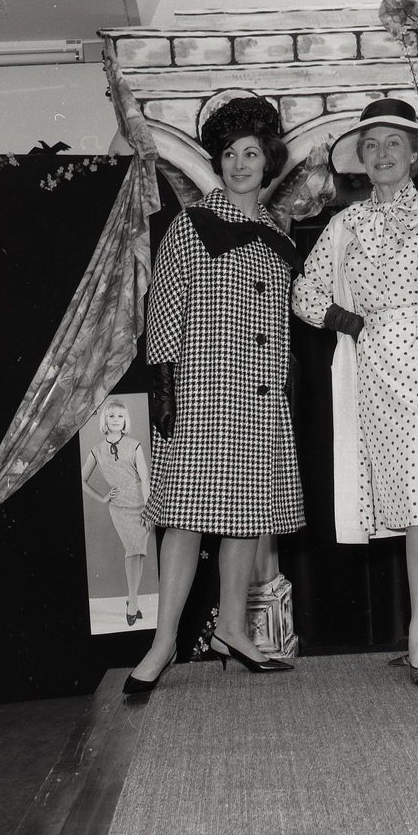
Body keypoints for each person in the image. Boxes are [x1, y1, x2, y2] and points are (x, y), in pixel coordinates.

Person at [292, 98, 418, 687]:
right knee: (409, 501)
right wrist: (345, 320)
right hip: (374, 372)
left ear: (415, 154)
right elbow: (303, 294)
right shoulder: (344, 224)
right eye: (371, 145)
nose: (382, 154)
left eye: (393, 144)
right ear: (361, 159)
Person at [123, 95, 305, 695]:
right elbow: (164, 308)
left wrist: (280, 384)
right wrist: (165, 388)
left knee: (246, 519)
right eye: (230, 154)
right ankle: (163, 643)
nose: (239, 164)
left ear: (268, 161)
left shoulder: (277, 236)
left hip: (260, 400)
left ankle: (232, 629)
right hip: (202, 394)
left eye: (251, 153)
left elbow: (279, 323)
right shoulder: (191, 223)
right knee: (183, 520)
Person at [81, 398, 150, 626]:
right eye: (111, 416)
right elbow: (81, 480)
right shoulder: (97, 451)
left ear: (125, 420)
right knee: (132, 550)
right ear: (105, 420)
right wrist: (102, 497)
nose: (116, 420)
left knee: (139, 553)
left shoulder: (135, 445)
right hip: (119, 508)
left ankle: (132, 598)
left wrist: (149, 509)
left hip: (141, 506)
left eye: (120, 416)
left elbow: (145, 479)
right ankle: (132, 602)